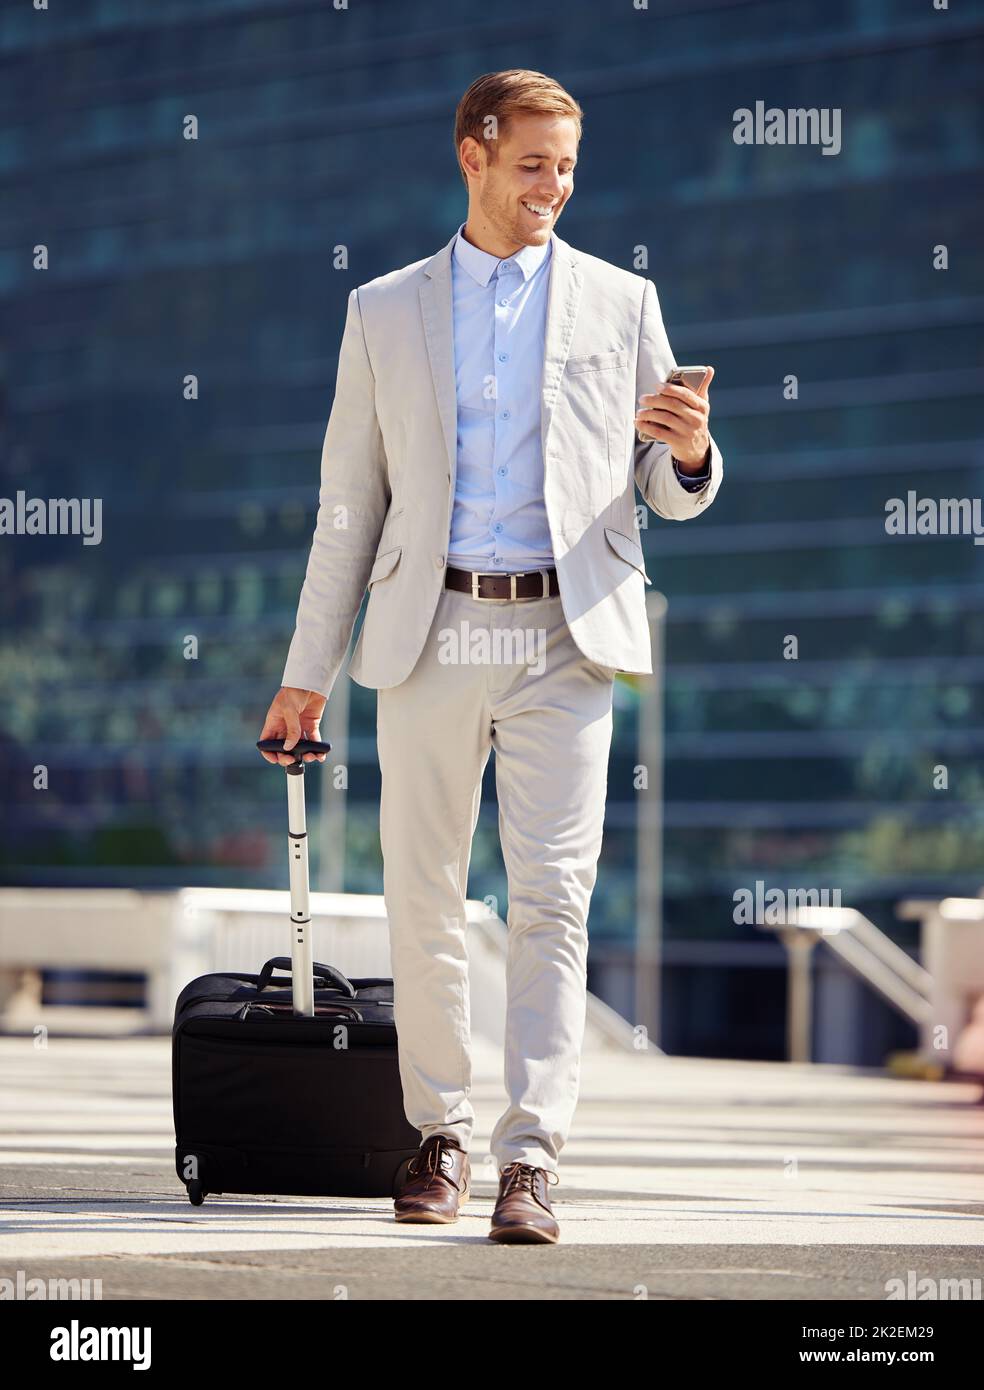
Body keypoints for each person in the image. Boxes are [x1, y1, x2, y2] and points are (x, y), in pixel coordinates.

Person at [259, 68, 723, 1244]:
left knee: (553, 902)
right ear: (473, 153)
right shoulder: (384, 310)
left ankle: (531, 1159)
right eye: (532, 164)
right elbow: (346, 510)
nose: (554, 188)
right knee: (422, 896)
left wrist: (691, 450)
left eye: (568, 167)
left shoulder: (625, 303)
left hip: (568, 636)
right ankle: (440, 1134)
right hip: (428, 633)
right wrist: (306, 670)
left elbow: (666, 494)